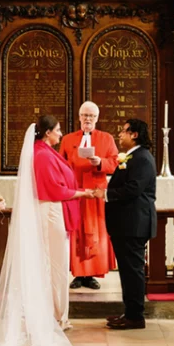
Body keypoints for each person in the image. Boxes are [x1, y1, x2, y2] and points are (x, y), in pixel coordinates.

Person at [0, 116, 92, 346]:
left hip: (52, 210)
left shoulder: (44, 150)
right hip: (49, 212)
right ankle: (53, 318)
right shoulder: (43, 155)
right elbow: (54, 190)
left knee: (54, 266)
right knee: (54, 266)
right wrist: (83, 192)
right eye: (57, 131)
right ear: (47, 133)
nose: (60, 134)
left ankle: (55, 315)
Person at [95, 119, 157, 330]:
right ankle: (130, 312)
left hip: (134, 224)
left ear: (135, 135)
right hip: (127, 224)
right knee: (128, 270)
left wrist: (106, 194)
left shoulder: (142, 158)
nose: (119, 135)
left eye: (123, 131)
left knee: (132, 271)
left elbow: (134, 189)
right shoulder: (134, 157)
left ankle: (136, 316)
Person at [60, 101, 118, 290]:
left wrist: (100, 162)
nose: (88, 119)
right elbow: (61, 163)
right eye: (85, 115)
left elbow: (115, 162)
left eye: (91, 116)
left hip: (96, 193)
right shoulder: (68, 139)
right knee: (76, 231)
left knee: (96, 233)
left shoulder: (106, 138)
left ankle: (92, 274)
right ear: (79, 117)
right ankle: (78, 273)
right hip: (75, 191)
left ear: (97, 118)